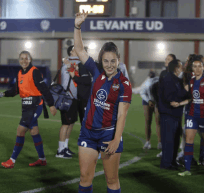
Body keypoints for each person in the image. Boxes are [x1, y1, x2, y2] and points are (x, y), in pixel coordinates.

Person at [74, 11, 132, 193]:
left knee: (112, 179)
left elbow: (122, 114)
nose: (109, 65)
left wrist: (116, 139)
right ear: (101, 61)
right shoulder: (96, 72)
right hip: (88, 133)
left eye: (112, 61)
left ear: (118, 60)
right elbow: (79, 50)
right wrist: (77, 26)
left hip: (108, 135)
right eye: (106, 61)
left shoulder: (124, 84)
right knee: (85, 177)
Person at [0, 51, 57, 169]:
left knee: (20, 130)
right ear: (19, 60)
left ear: (30, 59)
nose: (24, 61)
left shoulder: (34, 72)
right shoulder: (19, 73)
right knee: (34, 132)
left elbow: (43, 88)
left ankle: (12, 160)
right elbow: (15, 91)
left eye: (26, 59)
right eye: (21, 59)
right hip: (26, 106)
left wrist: (51, 104)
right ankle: (42, 159)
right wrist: (1, 95)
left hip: (35, 105)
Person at [176, 56, 204, 176]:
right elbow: (191, 98)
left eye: (199, 66)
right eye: (194, 66)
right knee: (189, 140)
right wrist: (180, 103)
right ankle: (187, 169)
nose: (197, 69)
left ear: (203, 67)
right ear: (192, 68)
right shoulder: (191, 81)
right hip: (192, 115)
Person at [56, 45, 91, 159]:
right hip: (68, 97)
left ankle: (65, 147)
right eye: (76, 49)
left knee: (70, 123)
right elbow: (68, 81)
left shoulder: (74, 63)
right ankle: (60, 150)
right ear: (71, 52)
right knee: (65, 124)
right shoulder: (68, 64)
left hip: (74, 98)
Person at [158, 59, 188, 170]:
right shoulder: (168, 79)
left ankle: (172, 161)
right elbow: (170, 97)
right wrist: (184, 92)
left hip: (175, 114)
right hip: (168, 114)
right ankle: (166, 164)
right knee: (168, 140)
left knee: (175, 140)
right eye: (181, 66)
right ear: (176, 68)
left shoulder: (176, 80)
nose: (182, 69)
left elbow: (181, 96)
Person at [140, 70, 161, 150]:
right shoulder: (146, 82)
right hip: (147, 101)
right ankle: (147, 142)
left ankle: (160, 142)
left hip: (157, 101)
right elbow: (142, 93)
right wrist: (149, 101)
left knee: (158, 121)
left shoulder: (159, 80)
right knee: (148, 121)